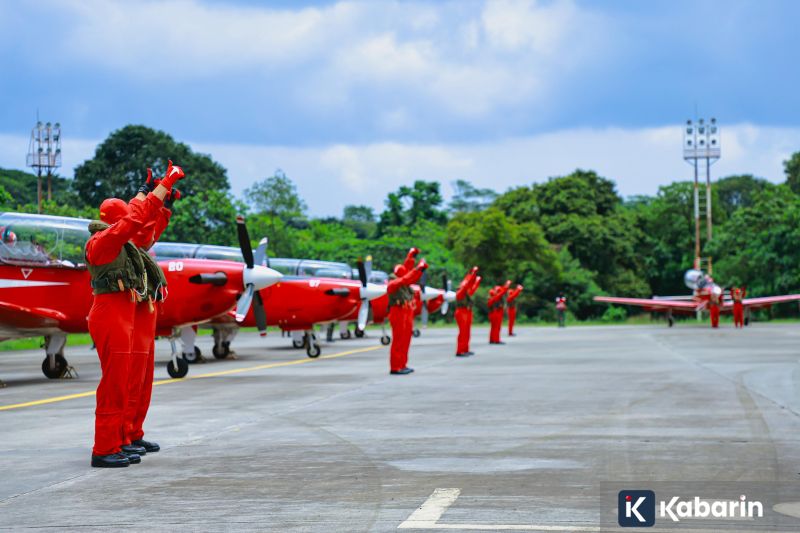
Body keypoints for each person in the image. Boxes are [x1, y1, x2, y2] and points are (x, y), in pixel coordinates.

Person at [85, 160, 186, 468]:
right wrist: (161, 187)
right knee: (116, 383)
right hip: (111, 311)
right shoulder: (105, 241)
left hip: (128, 310)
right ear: (117, 220)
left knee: (136, 380)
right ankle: (105, 447)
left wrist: (157, 198)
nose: (133, 219)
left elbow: (145, 225)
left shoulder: (124, 242)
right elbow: (135, 221)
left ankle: (126, 436)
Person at [122, 168, 182, 458]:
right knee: (130, 379)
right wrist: (150, 191)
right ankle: (121, 435)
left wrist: (165, 204)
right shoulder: (118, 240)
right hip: (129, 314)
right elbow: (140, 221)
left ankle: (133, 432)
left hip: (145, 312)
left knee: (143, 379)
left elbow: (149, 231)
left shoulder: (135, 243)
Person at [387, 248, 427, 375]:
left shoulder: (402, 279)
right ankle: (395, 367)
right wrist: (418, 269)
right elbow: (407, 277)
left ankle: (402, 365)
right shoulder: (394, 283)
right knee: (398, 340)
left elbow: (407, 270)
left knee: (406, 340)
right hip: (398, 311)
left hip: (406, 311)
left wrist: (412, 255)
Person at [454, 266, 479, 357]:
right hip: (461, 312)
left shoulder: (466, 292)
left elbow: (472, 287)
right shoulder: (460, 293)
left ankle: (465, 349)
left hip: (467, 311)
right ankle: (460, 351)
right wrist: (472, 274)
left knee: (467, 331)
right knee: (463, 332)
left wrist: (476, 279)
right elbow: (467, 284)